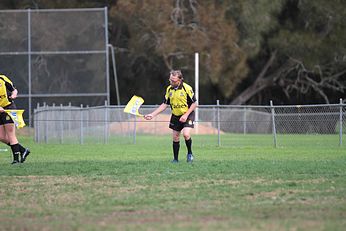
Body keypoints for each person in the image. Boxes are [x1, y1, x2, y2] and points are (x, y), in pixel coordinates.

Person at [144, 70, 197, 163]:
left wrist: (186, 115)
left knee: (186, 134)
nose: (171, 82)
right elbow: (164, 104)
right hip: (175, 116)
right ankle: (175, 160)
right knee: (175, 137)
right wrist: (152, 114)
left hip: (188, 114)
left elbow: (194, 104)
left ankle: (190, 153)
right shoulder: (169, 89)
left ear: (180, 80)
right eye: (170, 80)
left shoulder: (186, 88)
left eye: (174, 81)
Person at [0, 73, 30, 164]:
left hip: (9, 108)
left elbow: (14, 90)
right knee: (1, 136)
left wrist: (14, 95)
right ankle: (23, 150)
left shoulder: (2, 78)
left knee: (10, 134)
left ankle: (16, 160)